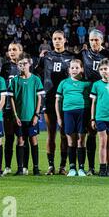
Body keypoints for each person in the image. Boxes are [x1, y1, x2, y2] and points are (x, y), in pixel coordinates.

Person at [35, 30, 77, 176]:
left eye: (59, 38)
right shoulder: (46, 57)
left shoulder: (71, 57)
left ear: (65, 40)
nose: (57, 41)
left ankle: (63, 166)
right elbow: (35, 72)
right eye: (54, 39)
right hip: (49, 98)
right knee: (51, 133)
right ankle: (51, 166)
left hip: (66, 99)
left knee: (65, 133)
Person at [81, 29, 109, 175]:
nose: (94, 42)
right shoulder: (84, 53)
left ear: (101, 40)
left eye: (96, 40)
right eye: (91, 40)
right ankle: (91, 167)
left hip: (107, 98)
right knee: (91, 134)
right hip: (90, 97)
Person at [9, 54, 45, 176]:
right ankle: (20, 169)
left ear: (29, 64)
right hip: (19, 117)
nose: (22, 66)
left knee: (33, 140)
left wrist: (36, 115)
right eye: (20, 64)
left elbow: (39, 98)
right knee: (20, 141)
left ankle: (35, 168)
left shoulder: (36, 79)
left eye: (25, 63)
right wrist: (15, 115)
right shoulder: (14, 81)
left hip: (31, 117)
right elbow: (12, 99)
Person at [56, 59, 91, 177]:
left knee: (81, 140)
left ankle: (81, 168)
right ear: (69, 70)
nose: (74, 70)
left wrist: (91, 117)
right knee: (70, 140)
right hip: (68, 113)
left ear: (81, 69)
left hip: (83, 112)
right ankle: (72, 168)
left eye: (77, 67)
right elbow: (58, 101)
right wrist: (59, 118)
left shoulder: (87, 84)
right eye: (72, 68)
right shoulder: (63, 83)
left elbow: (92, 101)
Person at [90, 59, 109, 177]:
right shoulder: (96, 85)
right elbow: (94, 102)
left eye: (105, 69)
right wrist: (92, 118)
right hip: (100, 117)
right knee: (102, 142)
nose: (103, 71)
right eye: (101, 70)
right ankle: (102, 168)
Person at [0, 43, 24, 176]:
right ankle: (8, 166)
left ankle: (22, 167)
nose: (11, 52)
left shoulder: (25, 66)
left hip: (23, 109)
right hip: (8, 107)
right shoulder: (5, 67)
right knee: (9, 138)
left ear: (21, 51)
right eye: (9, 50)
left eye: (14, 49)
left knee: (21, 138)